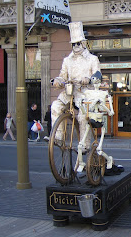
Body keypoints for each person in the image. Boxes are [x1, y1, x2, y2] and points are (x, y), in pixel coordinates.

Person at [51, 22, 101, 169]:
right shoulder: (67, 60)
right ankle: (59, 137)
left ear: (84, 43)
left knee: (82, 116)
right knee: (55, 106)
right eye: (73, 44)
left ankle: (84, 145)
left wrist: (89, 79)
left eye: (78, 43)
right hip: (69, 92)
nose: (76, 46)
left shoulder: (92, 59)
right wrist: (57, 81)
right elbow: (62, 75)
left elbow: (98, 75)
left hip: (85, 93)